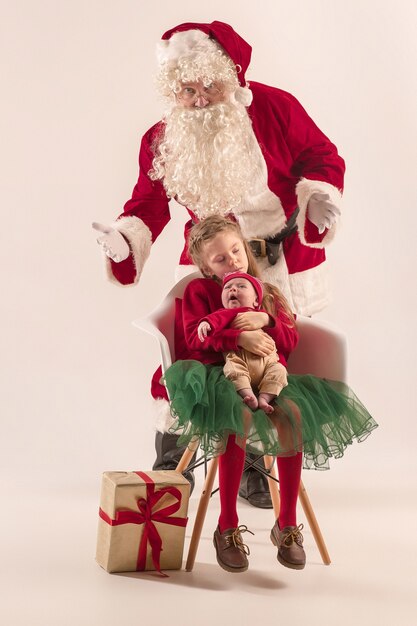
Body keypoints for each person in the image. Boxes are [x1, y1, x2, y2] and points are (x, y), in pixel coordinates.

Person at [93, 20, 346, 507]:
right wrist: (124, 241)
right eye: (186, 89)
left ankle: (255, 467)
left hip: (274, 266)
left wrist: (316, 199)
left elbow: (321, 156)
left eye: (208, 84)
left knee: (267, 362)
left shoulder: (274, 108)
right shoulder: (162, 138)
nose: (199, 98)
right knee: (188, 359)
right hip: (208, 269)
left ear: (229, 77)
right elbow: (146, 205)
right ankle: (171, 465)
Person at [163, 215, 378, 573]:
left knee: (292, 415)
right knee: (239, 416)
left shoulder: (269, 293)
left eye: (235, 251)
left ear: (244, 248)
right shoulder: (200, 292)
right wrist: (238, 337)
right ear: (204, 266)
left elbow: (291, 341)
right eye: (220, 258)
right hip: (219, 375)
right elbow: (193, 338)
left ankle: (287, 525)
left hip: (268, 376)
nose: (232, 260)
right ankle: (227, 525)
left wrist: (267, 322)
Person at [197, 271, 288, 414]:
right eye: (227, 287)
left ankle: (264, 397)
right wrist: (206, 323)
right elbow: (215, 319)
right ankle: (248, 394)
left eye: (241, 286)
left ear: (256, 300)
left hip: (268, 364)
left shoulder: (261, 315)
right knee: (233, 368)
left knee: (280, 371)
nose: (233, 289)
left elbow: (285, 335)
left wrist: (267, 319)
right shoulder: (227, 313)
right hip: (240, 359)